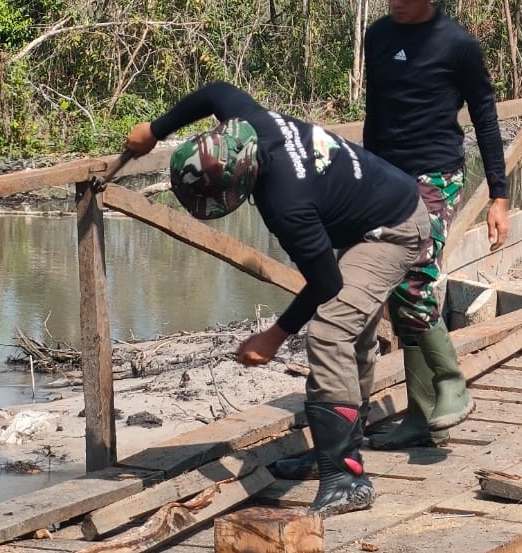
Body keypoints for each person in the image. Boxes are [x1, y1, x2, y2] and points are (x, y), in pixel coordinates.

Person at [123, 82, 431, 516]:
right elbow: (214, 91)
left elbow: (326, 284)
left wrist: (274, 335)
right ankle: (332, 452)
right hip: (374, 207)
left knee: (329, 332)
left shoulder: (287, 203)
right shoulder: (246, 122)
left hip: (395, 228)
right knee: (353, 334)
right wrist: (155, 129)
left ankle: (347, 479)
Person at [358, 0, 510, 450]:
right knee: (399, 298)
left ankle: (452, 383)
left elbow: (486, 120)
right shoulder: (376, 37)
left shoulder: (458, 45)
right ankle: (421, 417)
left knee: (416, 280)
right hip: (382, 175)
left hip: (434, 178)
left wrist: (499, 195)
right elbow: (374, 114)